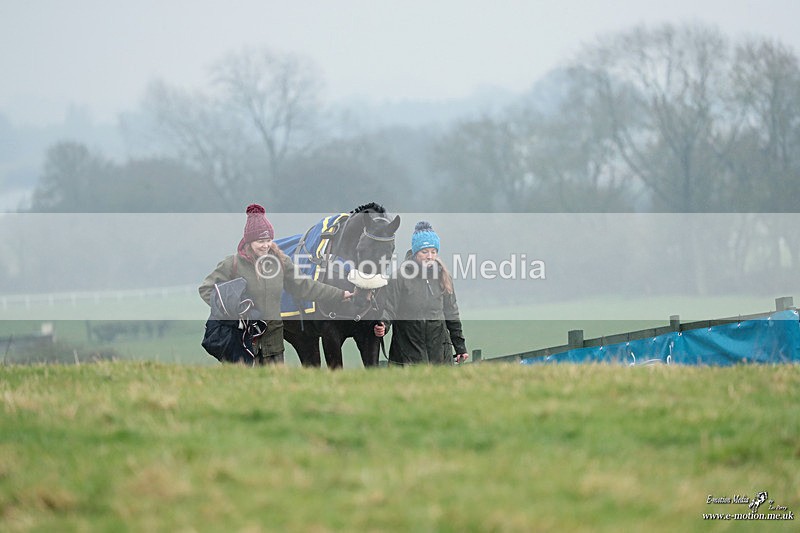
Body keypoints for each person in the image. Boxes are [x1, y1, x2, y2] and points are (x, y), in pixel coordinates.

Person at [199, 204, 352, 365]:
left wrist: (339, 294)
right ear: (249, 241)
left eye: (268, 240)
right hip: (242, 340)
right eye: (260, 241)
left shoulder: (281, 261)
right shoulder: (232, 264)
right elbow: (206, 289)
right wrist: (232, 310)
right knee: (245, 380)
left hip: (273, 342)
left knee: (275, 380)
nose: (265, 245)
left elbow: (304, 286)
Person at [374, 221, 468, 365]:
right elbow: (389, 308)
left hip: (440, 353)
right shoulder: (399, 277)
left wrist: (460, 347)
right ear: (415, 252)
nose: (430, 256)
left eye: (433, 252)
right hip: (407, 351)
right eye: (425, 252)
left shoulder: (444, 277)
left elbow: (452, 313)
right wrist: (383, 325)